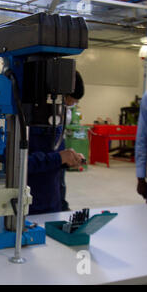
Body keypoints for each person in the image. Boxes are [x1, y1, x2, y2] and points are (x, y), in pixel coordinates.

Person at [28, 71, 85, 215]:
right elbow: (21, 164)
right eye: (69, 100)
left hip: (53, 203)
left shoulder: (59, 120)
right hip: (31, 207)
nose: (71, 104)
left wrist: (69, 159)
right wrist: (59, 158)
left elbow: (55, 156)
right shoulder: (27, 123)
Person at [60, 70, 85, 211]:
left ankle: (62, 206)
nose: (73, 103)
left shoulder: (66, 110)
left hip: (59, 147)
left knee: (60, 183)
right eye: (72, 99)